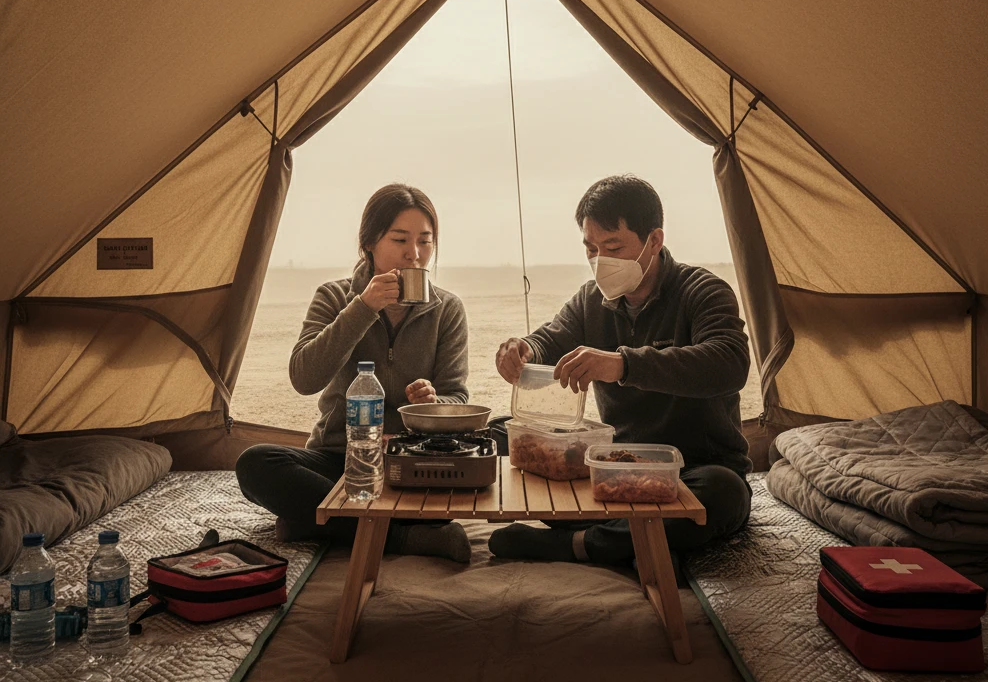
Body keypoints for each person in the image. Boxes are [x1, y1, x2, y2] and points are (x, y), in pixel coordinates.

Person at [489, 175, 752, 572]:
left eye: (612, 247)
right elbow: (550, 339)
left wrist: (623, 365)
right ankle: (628, 538)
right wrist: (522, 350)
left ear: (654, 241)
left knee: (723, 493)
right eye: (590, 249)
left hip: (692, 470)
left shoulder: (703, 291)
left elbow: (729, 363)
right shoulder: (590, 301)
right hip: (613, 468)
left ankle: (579, 543)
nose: (599, 261)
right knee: (500, 433)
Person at [236, 183, 472, 562]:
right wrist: (363, 308)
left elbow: (457, 399)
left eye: (425, 242)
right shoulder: (333, 297)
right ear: (370, 242)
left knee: (500, 437)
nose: (415, 254)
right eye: (400, 240)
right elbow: (304, 378)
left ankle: (322, 521)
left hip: (413, 460)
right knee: (256, 464)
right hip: (341, 459)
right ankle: (402, 537)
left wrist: (432, 400)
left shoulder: (447, 308)